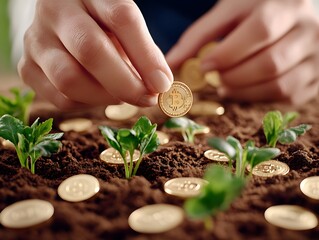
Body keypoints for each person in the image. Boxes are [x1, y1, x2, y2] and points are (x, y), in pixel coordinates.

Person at [14, 0, 319, 110]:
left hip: (251, 85)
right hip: (109, 90)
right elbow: (29, 28)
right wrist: (46, 27)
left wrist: (307, 23)